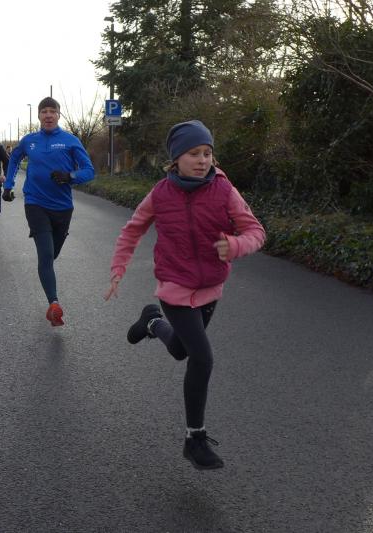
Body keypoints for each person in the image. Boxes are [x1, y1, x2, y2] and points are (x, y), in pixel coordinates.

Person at [104, 119, 266, 470]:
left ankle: (150, 322)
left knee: (180, 349)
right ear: (176, 158)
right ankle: (195, 439)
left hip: (210, 288)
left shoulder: (224, 190)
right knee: (201, 357)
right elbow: (132, 231)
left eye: (207, 153)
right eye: (194, 153)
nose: (202, 160)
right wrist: (118, 270)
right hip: (174, 287)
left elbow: (255, 231)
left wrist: (236, 245)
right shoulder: (160, 194)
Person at [4, 97, 94, 325]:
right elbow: (14, 158)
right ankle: (53, 304)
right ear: (39, 116)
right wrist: (8, 185)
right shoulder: (29, 141)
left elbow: (89, 170)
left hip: (63, 208)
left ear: (58, 115)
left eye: (52, 111)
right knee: (45, 255)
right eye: (43, 111)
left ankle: (49, 289)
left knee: (51, 255)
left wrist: (70, 176)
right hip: (35, 203)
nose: (48, 115)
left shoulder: (70, 141)